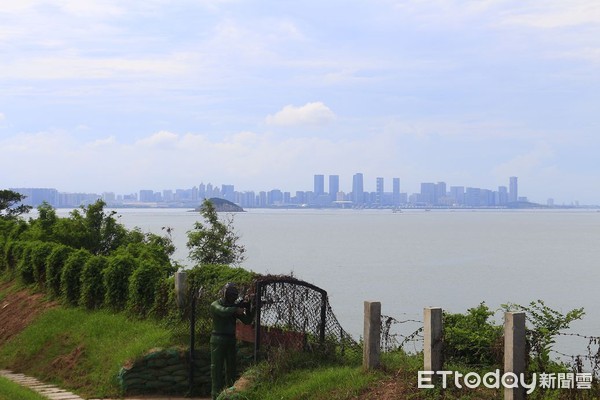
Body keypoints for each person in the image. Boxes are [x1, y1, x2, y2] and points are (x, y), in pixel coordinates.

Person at [209, 282, 254, 400]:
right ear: (225, 294)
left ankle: (229, 394)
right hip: (217, 340)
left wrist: (251, 309)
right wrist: (236, 309)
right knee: (216, 368)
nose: (231, 298)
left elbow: (247, 320)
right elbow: (222, 311)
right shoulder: (215, 304)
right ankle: (215, 395)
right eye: (230, 295)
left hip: (230, 340)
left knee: (231, 368)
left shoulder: (233, 307)